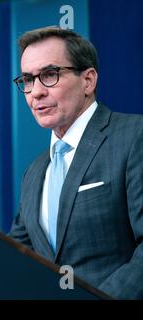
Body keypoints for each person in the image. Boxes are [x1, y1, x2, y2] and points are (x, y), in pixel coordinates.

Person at [8, 26, 143, 299]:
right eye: (27, 80)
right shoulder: (34, 173)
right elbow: (14, 258)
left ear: (88, 80)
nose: (35, 92)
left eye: (49, 75)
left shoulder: (134, 136)